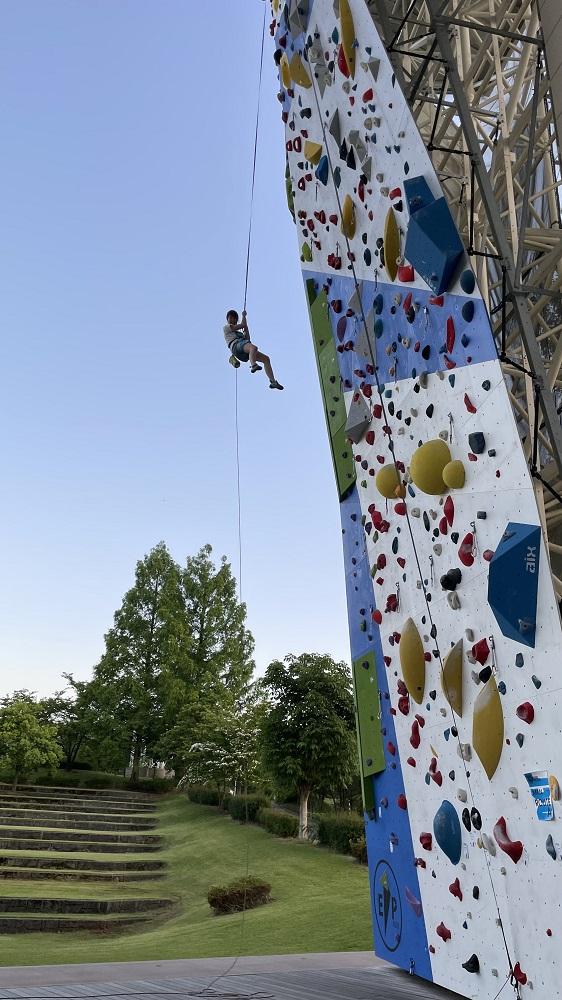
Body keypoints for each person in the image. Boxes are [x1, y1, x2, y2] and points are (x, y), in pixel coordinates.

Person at [223, 309, 283, 390]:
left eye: (234, 318)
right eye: (230, 318)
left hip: (243, 350)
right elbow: (243, 324)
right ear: (227, 319)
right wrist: (244, 316)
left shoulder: (239, 333)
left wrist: (246, 329)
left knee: (266, 359)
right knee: (253, 348)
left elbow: (248, 339)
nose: (232, 319)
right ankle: (253, 365)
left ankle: (273, 382)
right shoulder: (226, 327)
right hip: (236, 346)